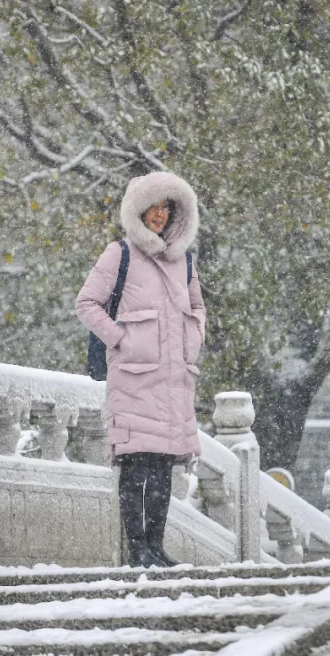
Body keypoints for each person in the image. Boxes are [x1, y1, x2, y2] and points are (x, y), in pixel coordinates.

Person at [76, 170, 205, 568]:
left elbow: (198, 306)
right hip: (134, 376)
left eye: (168, 208)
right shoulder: (120, 254)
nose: (160, 216)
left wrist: (193, 338)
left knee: (164, 468)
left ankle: (157, 547)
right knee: (136, 467)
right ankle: (137, 549)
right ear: (138, 211)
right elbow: (86, 304)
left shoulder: (182, 261)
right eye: (154, 207)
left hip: (173, 382)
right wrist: (121, 339)